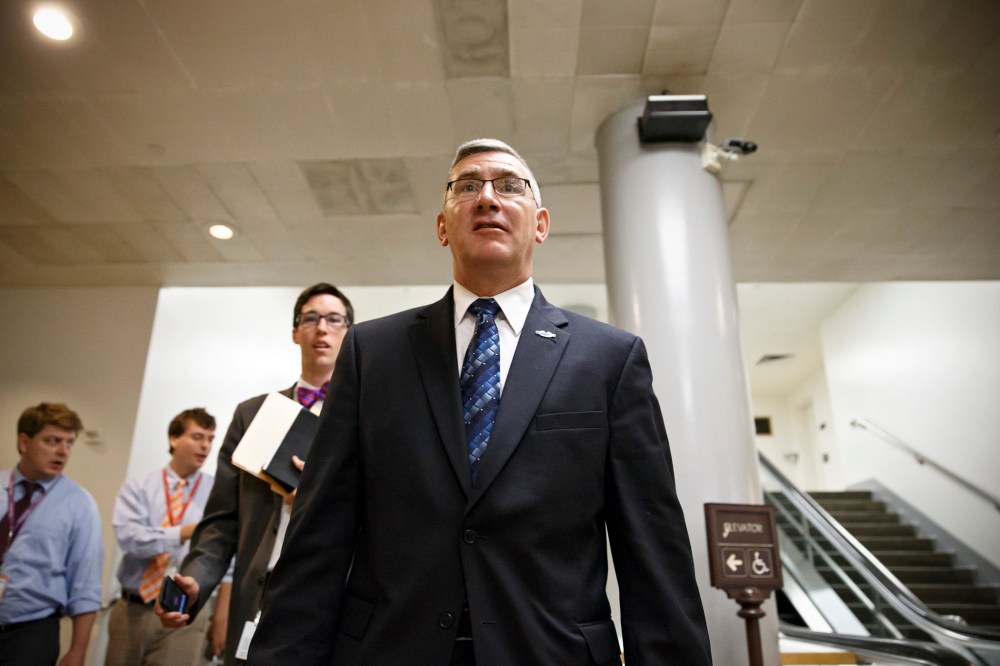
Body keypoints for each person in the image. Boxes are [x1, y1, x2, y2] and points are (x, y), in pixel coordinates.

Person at [247, 139, 713, 664]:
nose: (488, 197)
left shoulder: (609, 358)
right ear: (443, 228)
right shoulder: (372, 352)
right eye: (467, 186)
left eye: (509, 186)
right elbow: (318, 538)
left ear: (540, 224)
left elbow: (653, 551)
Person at [157, 282, 354, 664]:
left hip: (333, 604)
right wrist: (196, 578)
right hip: (256, 602)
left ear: (350, 332)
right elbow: (221, 522)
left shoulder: (366, 416)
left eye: (335, 319)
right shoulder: (253, 414)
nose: (322, 328)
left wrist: (313, 501)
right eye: (310, 318)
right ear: (295, 331)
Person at [106, 407, 230, 665]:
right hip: (132, 610)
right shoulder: (139, 486)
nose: (205, 446)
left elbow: (229, 562)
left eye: (210, 439)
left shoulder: (217, 493)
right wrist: (182, 533)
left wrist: (221, 618)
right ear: (173, 439)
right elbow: (129, 538)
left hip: (185, 615)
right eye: (197, 437)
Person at [0, 402, 103, 666]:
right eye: (52, 441)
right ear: (24, 442)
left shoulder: (79, 504)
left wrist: (77, 651)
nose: (62, 452)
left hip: (30, 632)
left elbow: (86, 584)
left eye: (69, 443)